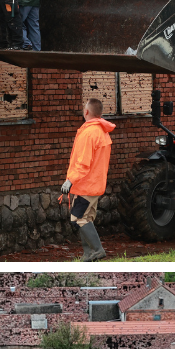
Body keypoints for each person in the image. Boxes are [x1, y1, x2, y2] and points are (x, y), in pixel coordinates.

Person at [62, 98, 115, 261]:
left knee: (78, 218)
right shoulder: (102, 131)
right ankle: (89, 254)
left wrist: (70, 180)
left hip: (86, 185)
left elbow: (83, 163)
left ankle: (96, 251)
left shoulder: (89, 133)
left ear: (86, 112)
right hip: (95, 185)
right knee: (87, 218)